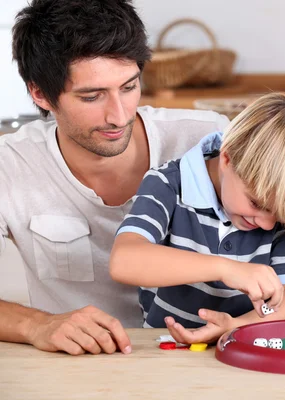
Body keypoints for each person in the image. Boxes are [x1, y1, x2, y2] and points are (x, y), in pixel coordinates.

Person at [0, 0, 230, 355]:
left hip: (202, 359)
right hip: (79, 368)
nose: (119, 115)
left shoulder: (206, 140)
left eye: (129, 86)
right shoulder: (11, 164)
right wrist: (37, 324)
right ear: (40, 94)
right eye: (92, 96)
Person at [109, 93, 285, 344]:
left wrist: (237, 327)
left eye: (278, 216)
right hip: (164, 352)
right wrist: (226, 269)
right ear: (227, 158)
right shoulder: (168, 184)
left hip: (244, 349)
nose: (267, 224)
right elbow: (124, 261)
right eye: (256, 203)